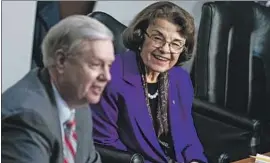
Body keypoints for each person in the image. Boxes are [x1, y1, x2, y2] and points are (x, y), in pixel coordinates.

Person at [91, 1, 207, 163]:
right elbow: (105, 144)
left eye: (176, 44)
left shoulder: (180, 79)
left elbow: (187, 137)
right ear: (139, 36)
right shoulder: (110, 77)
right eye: (158, 38)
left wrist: (195, 161)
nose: (166, 49)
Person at [2, 15, 115, 163]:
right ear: (61, 61)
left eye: (109, 65)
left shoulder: (79, 103)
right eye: (95, 64)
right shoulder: (27, 117)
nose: (107, 76)